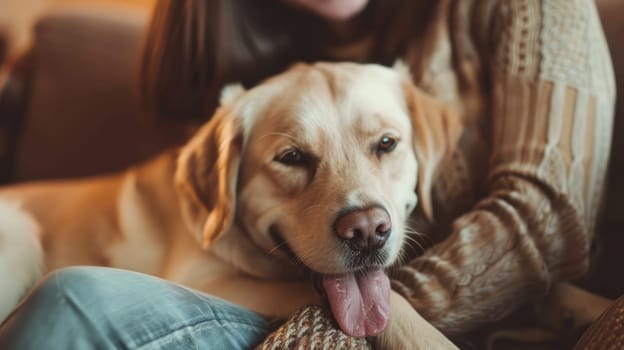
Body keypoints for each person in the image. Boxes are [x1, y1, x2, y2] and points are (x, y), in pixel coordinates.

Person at [0, 0, 615, 348]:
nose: (358, 211)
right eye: (295, 159)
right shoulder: (257, 77)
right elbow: (194, 275)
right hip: (23, 233)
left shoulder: (498, 25)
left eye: (383, 146)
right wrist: (396, 324)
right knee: (70, 297)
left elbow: (542, 218)